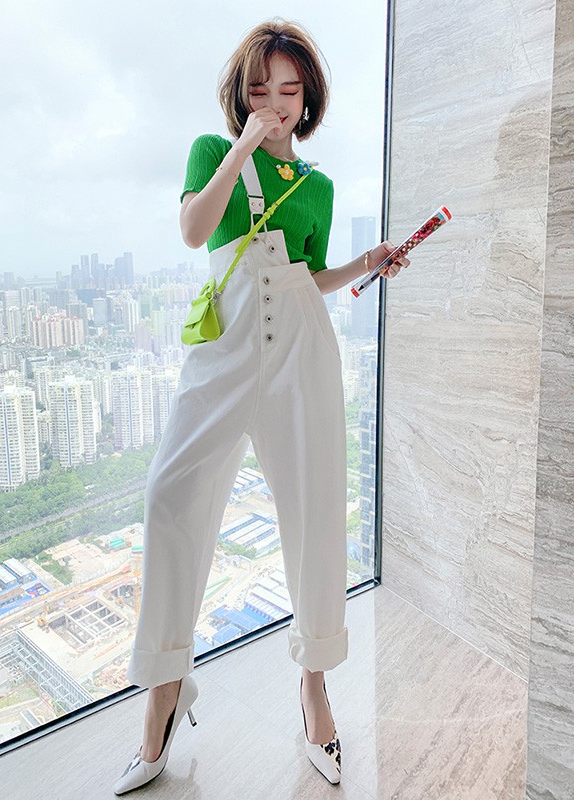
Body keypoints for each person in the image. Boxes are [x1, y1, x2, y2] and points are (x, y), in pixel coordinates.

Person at [114, 17, 409, 795]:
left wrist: (367, 262)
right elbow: (193, 231)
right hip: (225, 352)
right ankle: (166, 691)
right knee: (170, 497)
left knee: (314, 514)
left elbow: (309, 278)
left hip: (301, 353)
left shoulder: (319, 188)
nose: (275, 102)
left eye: (288, 89)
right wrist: (244, 146)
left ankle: (314, 687)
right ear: (240, 96)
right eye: (258, 90)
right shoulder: (211, 152)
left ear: (308, 97)